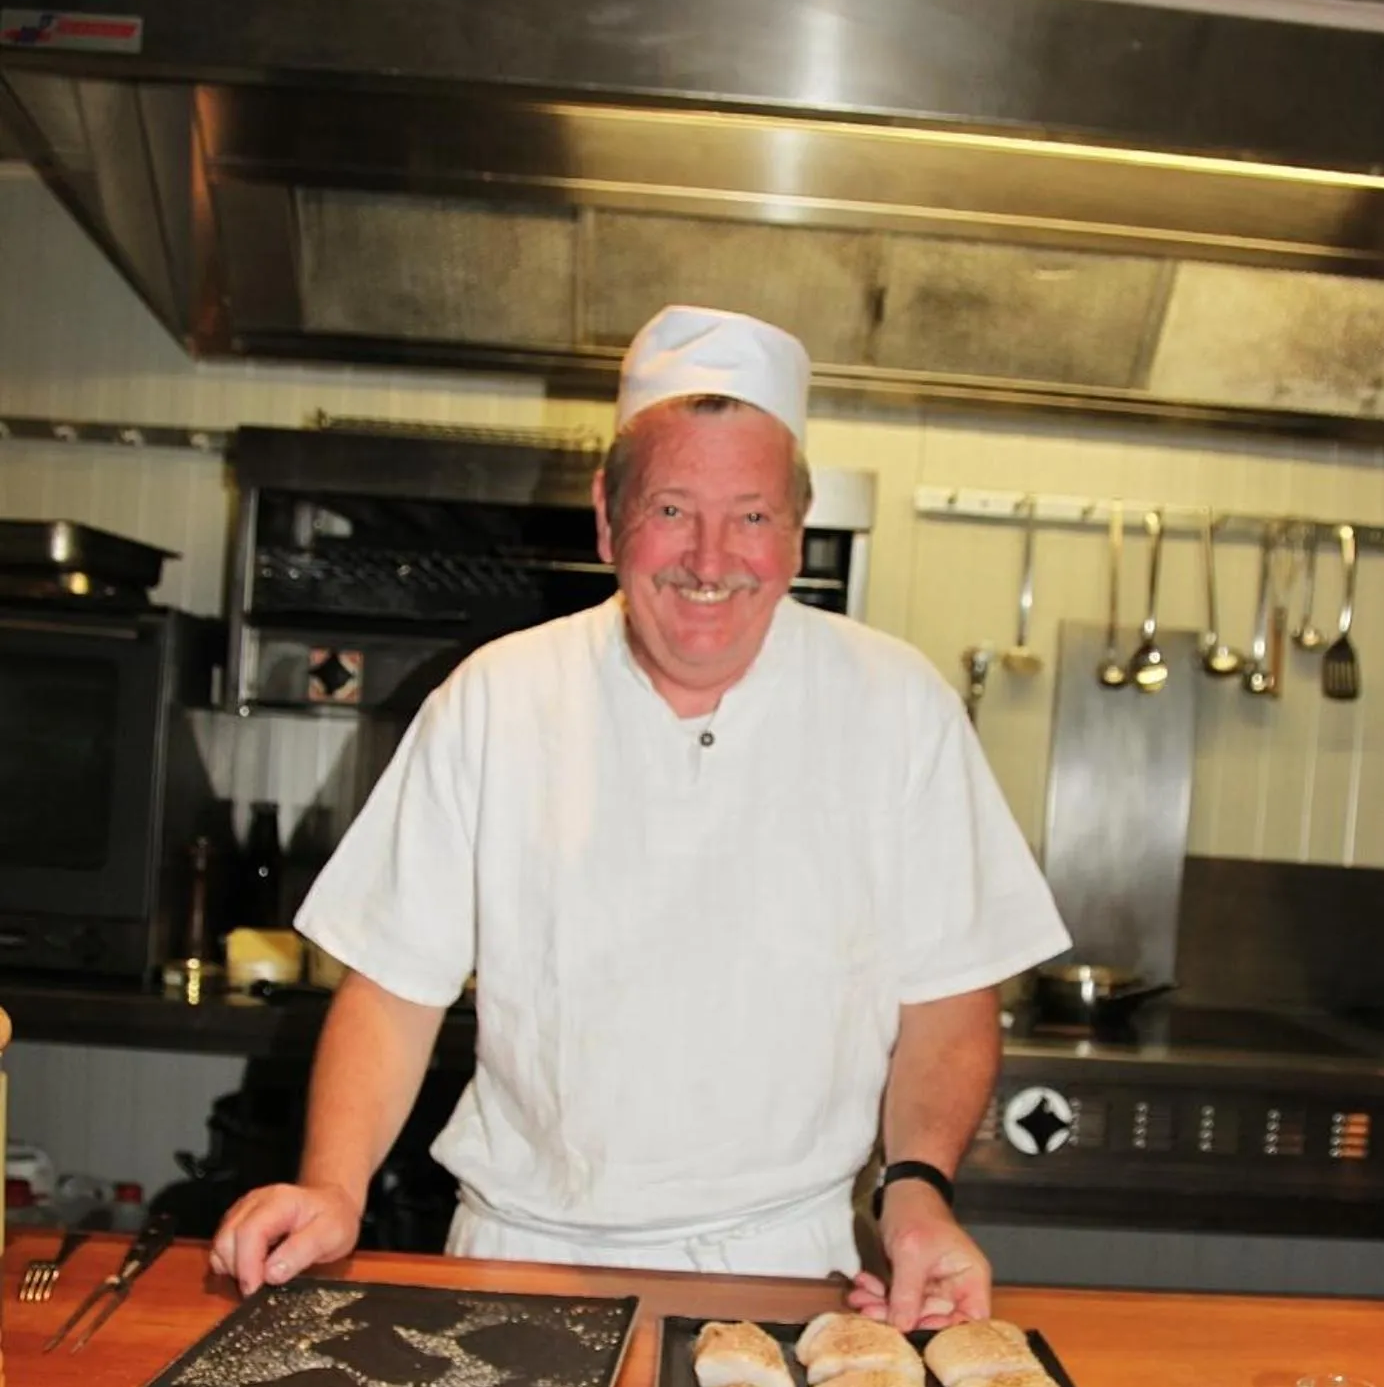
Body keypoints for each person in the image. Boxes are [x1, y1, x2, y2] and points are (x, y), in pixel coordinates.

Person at [210, 306, 1068, 1328]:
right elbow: (394, 987)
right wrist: (332, 1186)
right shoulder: (496, 699)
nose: (711, 557)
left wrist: (917, 1192)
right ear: (608, 518)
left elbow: (948, 997)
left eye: (752, 515)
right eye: (672, 508)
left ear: (797, 529)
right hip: (522, 1260)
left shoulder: (898, 706)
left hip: (796, 1265)